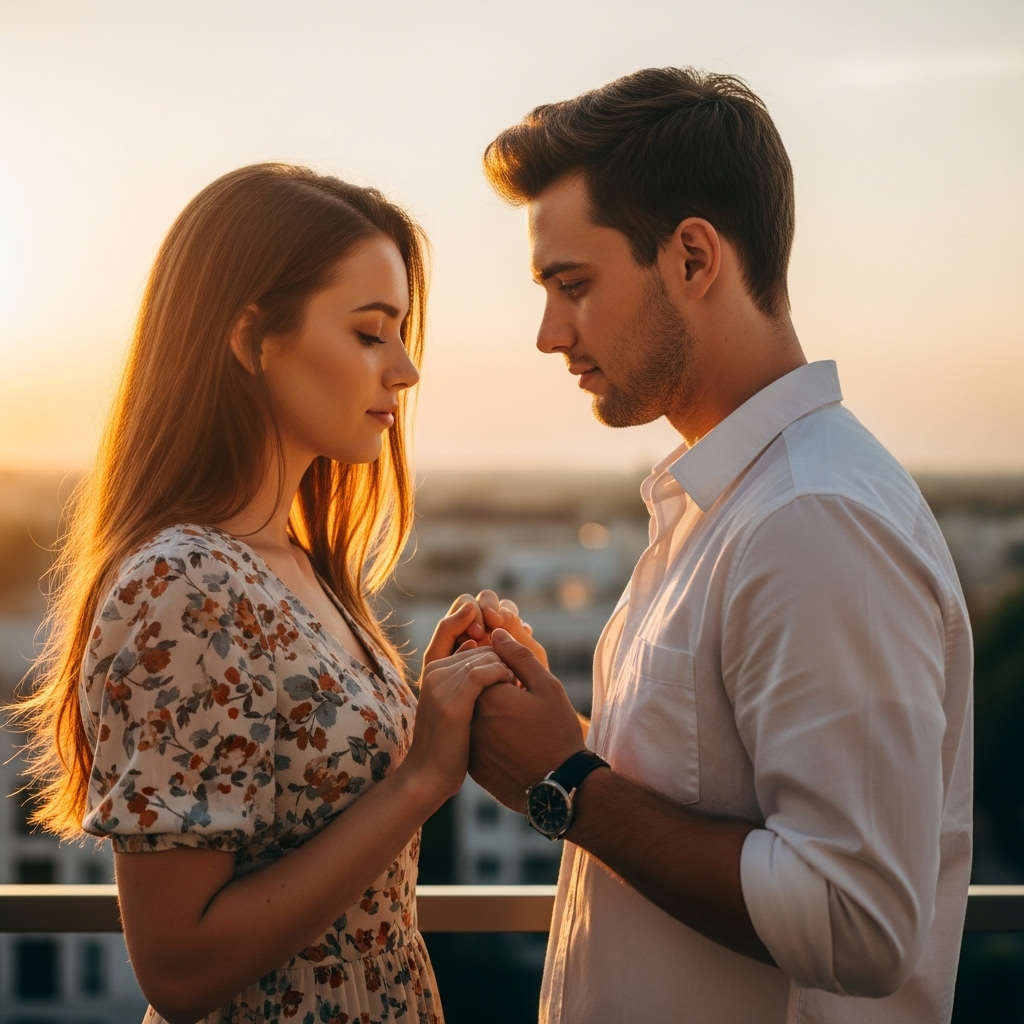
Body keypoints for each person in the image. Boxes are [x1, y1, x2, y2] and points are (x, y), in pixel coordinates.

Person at [468, 68, 973, 1023]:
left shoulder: (813, 518)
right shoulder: (726, 504)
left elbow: (855, 920)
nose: (547, 334)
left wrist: (565, 784)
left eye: (571, 284)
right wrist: (568, 741)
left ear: (694, 258)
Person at [14, 163, 533, 1024]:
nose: (404, 370)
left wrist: (439, 699)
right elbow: (178, 971)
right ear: (254, 338)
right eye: (371, 334)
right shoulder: (180, 583)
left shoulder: (298, 565)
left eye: (401, 334)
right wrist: (422, 775)